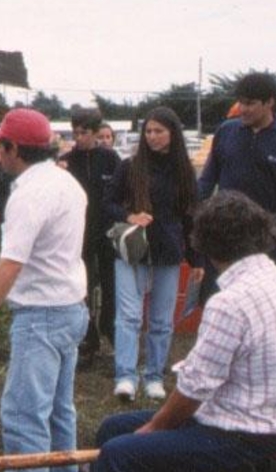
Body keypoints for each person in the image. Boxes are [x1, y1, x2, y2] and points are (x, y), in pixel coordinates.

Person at [94, 191, 276, 472]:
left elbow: (196, 387)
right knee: (114, 428)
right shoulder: (272, 277)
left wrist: (154, 428)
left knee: (117, 453)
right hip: (256, 418)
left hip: (244, 433)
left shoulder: (229, 303)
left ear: (207, 244)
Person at [0, 108, 89, 472]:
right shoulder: (65, 182)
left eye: (0, 147)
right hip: (70, 307)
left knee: (23, 417)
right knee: (58, 412)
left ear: (16, 149)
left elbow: (11, 262)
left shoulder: (30, 194)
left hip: (42, 315)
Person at [104, 106, 201, 402]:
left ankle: (154, 376)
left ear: (172, 133)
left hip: (169, 252)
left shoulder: (184, 170)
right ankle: (125, 376)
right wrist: (128, 215)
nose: (152, 137)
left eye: (159, 131)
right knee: (129, 317)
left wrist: (196, 260)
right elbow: (107, 203)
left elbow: (190, 218)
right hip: (133, 250)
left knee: (161, 320)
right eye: (148, 131)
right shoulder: (130, 165)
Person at [61, 108, 121, 362]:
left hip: (106, 232)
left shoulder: (110, 158)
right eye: (75, 132)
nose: (79, 137)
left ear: (96, 133)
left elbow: (121, 192)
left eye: (84, 132)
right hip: (78, 233)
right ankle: (88, 337)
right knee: (81, 285)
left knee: (111, 284)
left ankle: (112, 329)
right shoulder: (66, 161)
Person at [198, 72, 276, 218]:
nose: (242, 109)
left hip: (270, 231)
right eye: (240, 102)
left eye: (249, 103)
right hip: (227, 228)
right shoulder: (225, 131)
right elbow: (207, 180)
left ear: (269, 102)